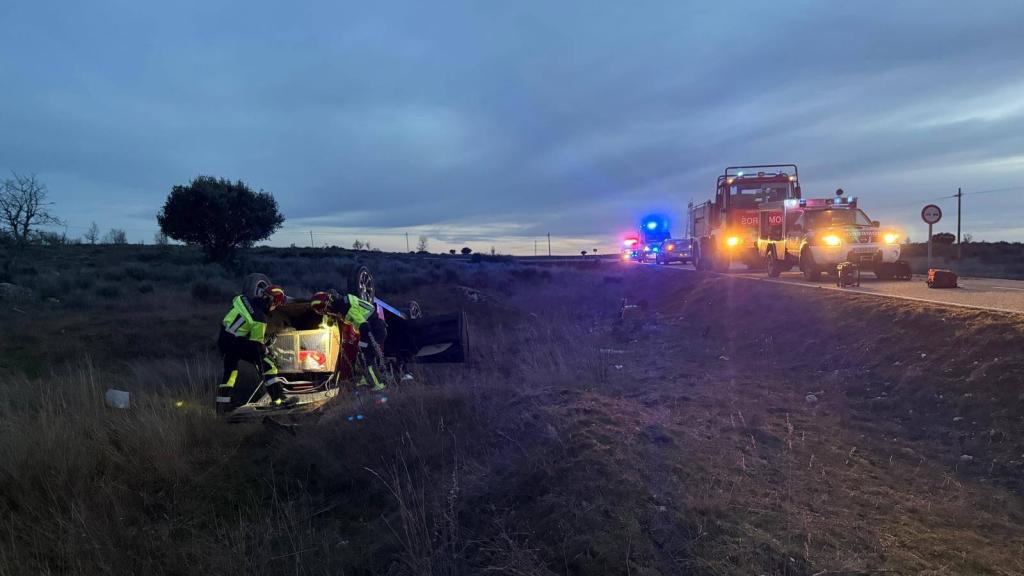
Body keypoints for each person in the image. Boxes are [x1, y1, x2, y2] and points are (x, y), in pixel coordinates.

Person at [217, 283, 297, 412]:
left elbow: (236, 308)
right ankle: (279, 400)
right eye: (276, 305)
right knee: (268, 364)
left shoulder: (243, 299)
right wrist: (267, 350)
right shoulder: (260, 319)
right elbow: (256, 345)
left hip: (224, 339)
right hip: (237, 343)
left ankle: (222, 407)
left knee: (230, 372)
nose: (274, 308)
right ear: (271, 302)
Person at [310, 289, 388, 391]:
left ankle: (378, 385)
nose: (327, 313)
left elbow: (364, 326)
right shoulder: (342, 302)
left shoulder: (348, 309)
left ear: (328, 305)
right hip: (373, 328)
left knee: (368, 358)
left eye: (325, 310)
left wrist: (363, 344)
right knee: (360, 357)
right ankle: (366, 379)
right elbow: (338, 312)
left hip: (374, 330)